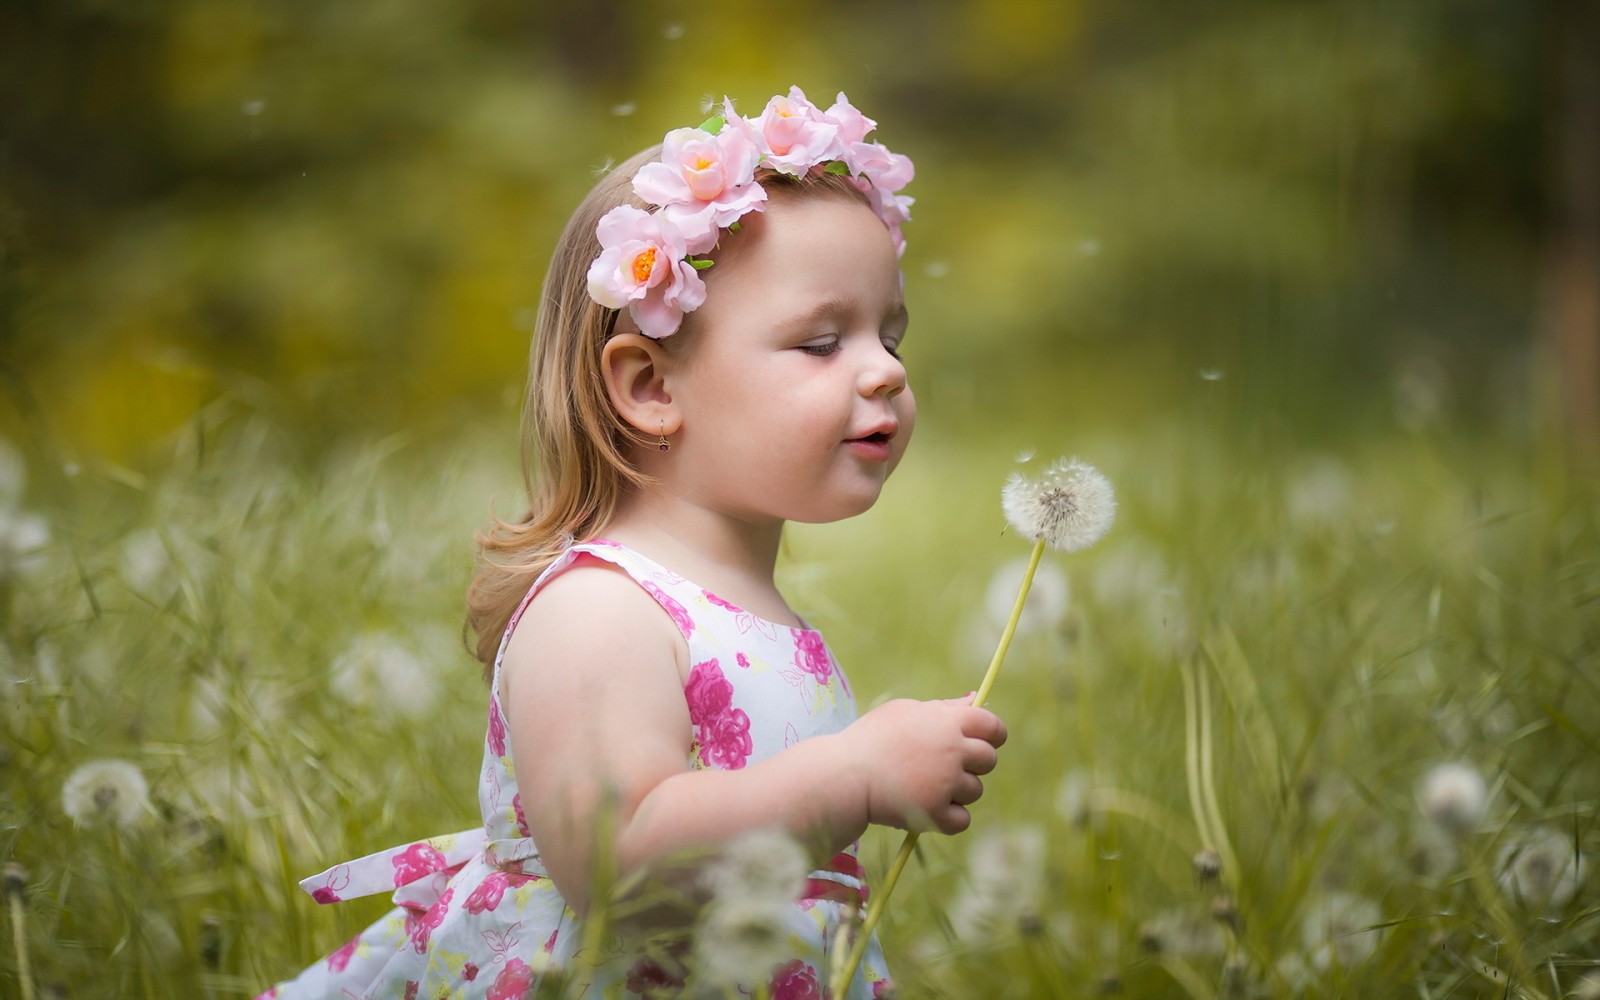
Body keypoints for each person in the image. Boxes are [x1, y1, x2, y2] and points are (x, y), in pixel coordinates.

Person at [257, 86, 1007, 1000]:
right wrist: (849, 777)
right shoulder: (598, 610)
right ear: (651, 386)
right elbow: (613, 864)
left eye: (889, 335)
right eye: (820, 342)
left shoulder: (754, 614)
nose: (886, 369)